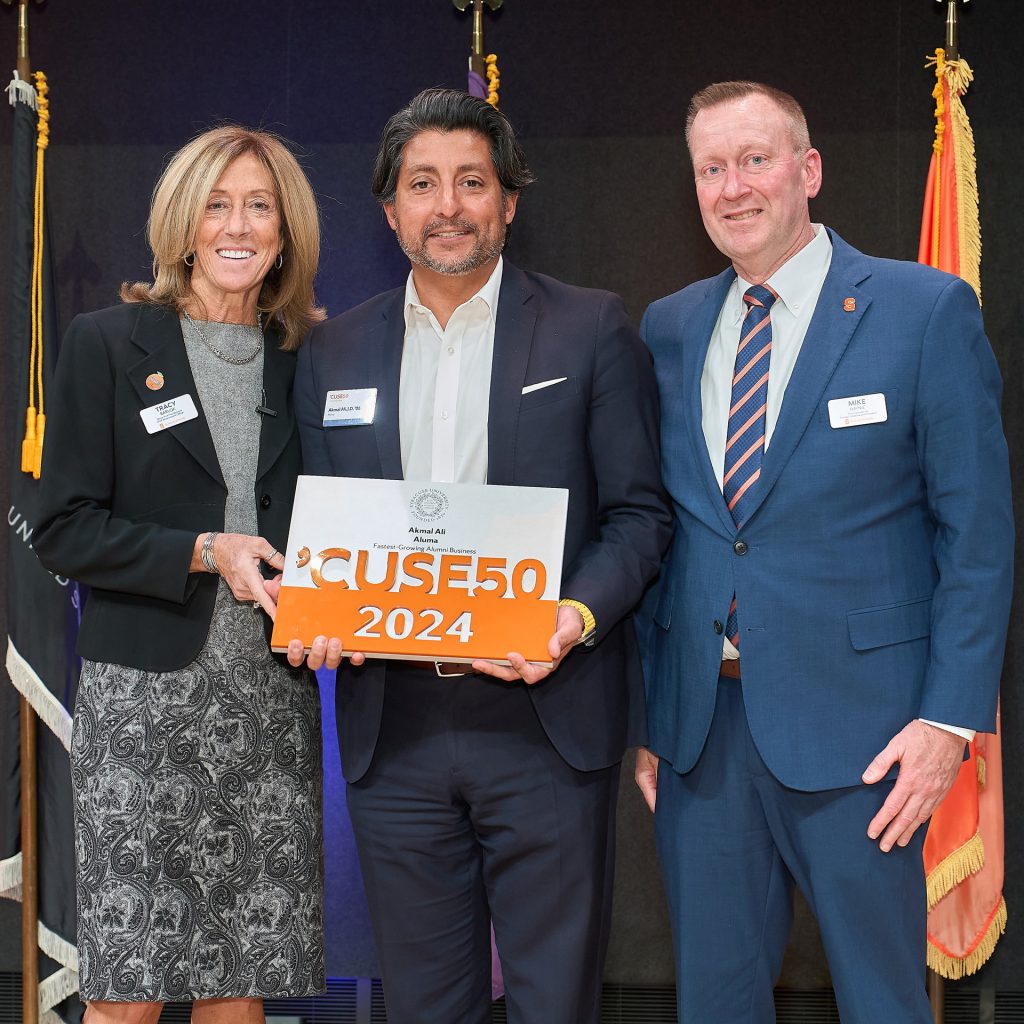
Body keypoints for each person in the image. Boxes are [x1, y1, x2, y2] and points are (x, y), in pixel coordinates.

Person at [287, 88, 671, 1023]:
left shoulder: (590, 328)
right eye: (423, 184)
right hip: (396, 729)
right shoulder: (331, 350)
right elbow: (314, 527)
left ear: (508, 202)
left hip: (545, 716)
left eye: (471, 181)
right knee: (425, 1005)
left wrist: (571, 620)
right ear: (390, 210)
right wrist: (313, 614)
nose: (447, 204)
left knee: (554, 1002)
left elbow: (639, 517)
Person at [635, 79, 1014, 1023]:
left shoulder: (924, 311)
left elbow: (978, 535)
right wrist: (650, 713)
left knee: (883, 1003)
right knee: (715, 1005)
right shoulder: (669, 329)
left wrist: (949, 723)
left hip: (870, 742)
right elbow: (667, 529)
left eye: (755, 160)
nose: (732, 187)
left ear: (808, 170)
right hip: (702, 740)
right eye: (710, 168)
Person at [34, 125, 327, 1024]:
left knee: (239, 983)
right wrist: (205, 550)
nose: (238, 225)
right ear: (183, 223)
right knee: (130, 988)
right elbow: (62, 529)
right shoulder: (107, 342)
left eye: (259, 206)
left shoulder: (310, 354)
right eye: (217, 204)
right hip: (144, 704)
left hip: (271, 701)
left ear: (285, 231)